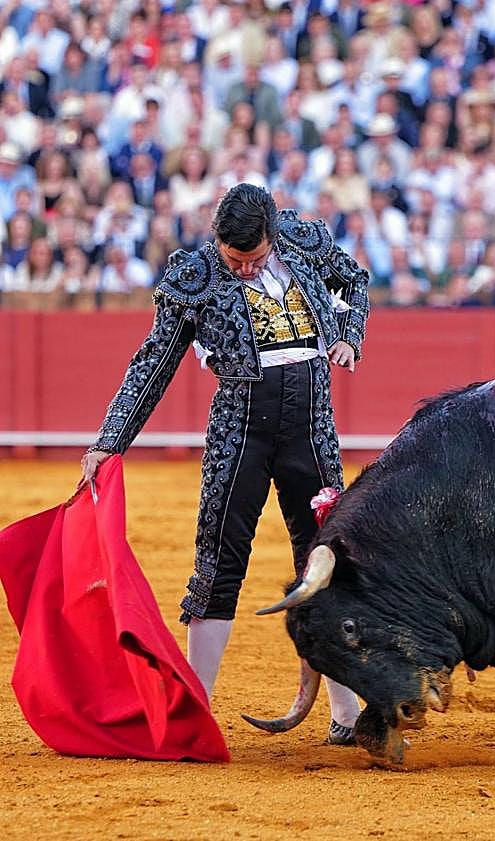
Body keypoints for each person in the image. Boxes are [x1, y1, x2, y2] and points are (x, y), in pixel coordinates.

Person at [79, 183, 370, 745]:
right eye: (232, 259)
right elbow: (152, 365)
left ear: (272, 235)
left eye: (254, 259)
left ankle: (348, 714)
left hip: (312, 428)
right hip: (240, 431)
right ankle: (197, 709)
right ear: (216, 239)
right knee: (218, 561)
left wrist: (350, 337)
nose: (241, 269)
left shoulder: (304, 240)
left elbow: (356, 280)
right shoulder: (194, 277)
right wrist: (109, 441)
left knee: (326, 558)